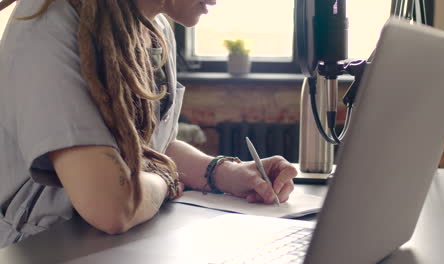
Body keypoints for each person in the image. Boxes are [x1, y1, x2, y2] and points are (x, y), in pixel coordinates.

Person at [0, 0, 297, 248]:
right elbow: (113, 206)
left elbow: (152, 147)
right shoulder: (48, 26)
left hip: (116, 244)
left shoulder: (153, 27)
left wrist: (226, 172)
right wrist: (166, 180)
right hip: (42, 248)